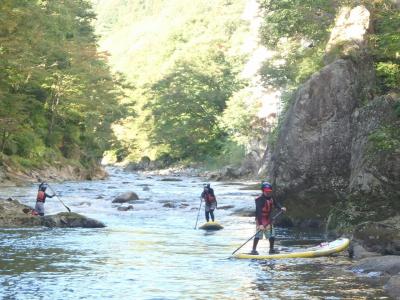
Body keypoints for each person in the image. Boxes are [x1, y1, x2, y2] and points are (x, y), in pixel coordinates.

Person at [251, 181, 286, 255]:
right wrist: (260, 224)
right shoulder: (259, 199)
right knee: (258, 235)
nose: (268, 193)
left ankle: (271, 249)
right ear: (263, 191)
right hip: (260, 219)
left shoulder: (271, 198)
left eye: (269, 191)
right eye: (266, 191)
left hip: (268, 218)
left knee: (272, 235)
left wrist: (281, 208)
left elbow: (276, 204)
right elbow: (258, 212)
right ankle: (253, 250)